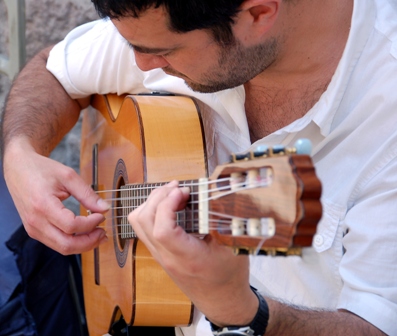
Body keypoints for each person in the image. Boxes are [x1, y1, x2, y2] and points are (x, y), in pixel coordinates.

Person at [1, 0, 397, 335]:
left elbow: (377, 324)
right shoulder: (174, 19)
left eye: (164, 52)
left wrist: (243, 312)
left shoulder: (384, 118)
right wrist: (20, 156)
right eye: (130, 44)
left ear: (258, 14)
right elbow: (54, 69)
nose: (140, 63)